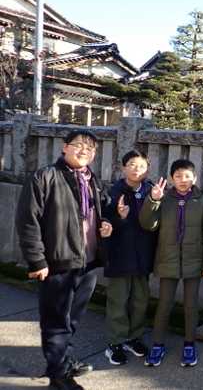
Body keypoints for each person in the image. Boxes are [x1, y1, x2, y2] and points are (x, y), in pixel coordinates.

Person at [15, 130, 113, 390]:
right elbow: (27, 221)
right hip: (57, 262)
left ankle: (63, 362)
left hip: (88, 262)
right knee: (56, 321)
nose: (84, 151)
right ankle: (59, 377)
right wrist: (37, 261)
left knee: (72, 320)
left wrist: (107, 223)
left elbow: (101, 210)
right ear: (64, 147)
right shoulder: (45, 176)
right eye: (78, 145)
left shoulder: (92, 179)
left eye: (90, 148)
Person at [139, 159, 203, 368]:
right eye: (178, 176)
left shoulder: (202, 202)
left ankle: (189, 344)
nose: (183, 180)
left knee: (191, 305)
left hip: (194, 261)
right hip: (168, 259)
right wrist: (153, 200)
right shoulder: (164, 199)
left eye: (187, 176)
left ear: (195, 178)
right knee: (164, 304)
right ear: (172, 178)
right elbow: (147, 224)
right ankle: (158, 344)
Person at [103, 150, 157, 365]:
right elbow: (104, 222)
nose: (137, 169)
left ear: (147, 169)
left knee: (140, 300)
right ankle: (115, 342)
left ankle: (134, 337)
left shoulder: (152, 190)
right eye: (132, 164)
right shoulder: (113, 191)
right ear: (123, 167)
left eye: (141, 165)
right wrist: (119, 217)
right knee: (118, 300)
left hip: (143, 254)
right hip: (120, 254)